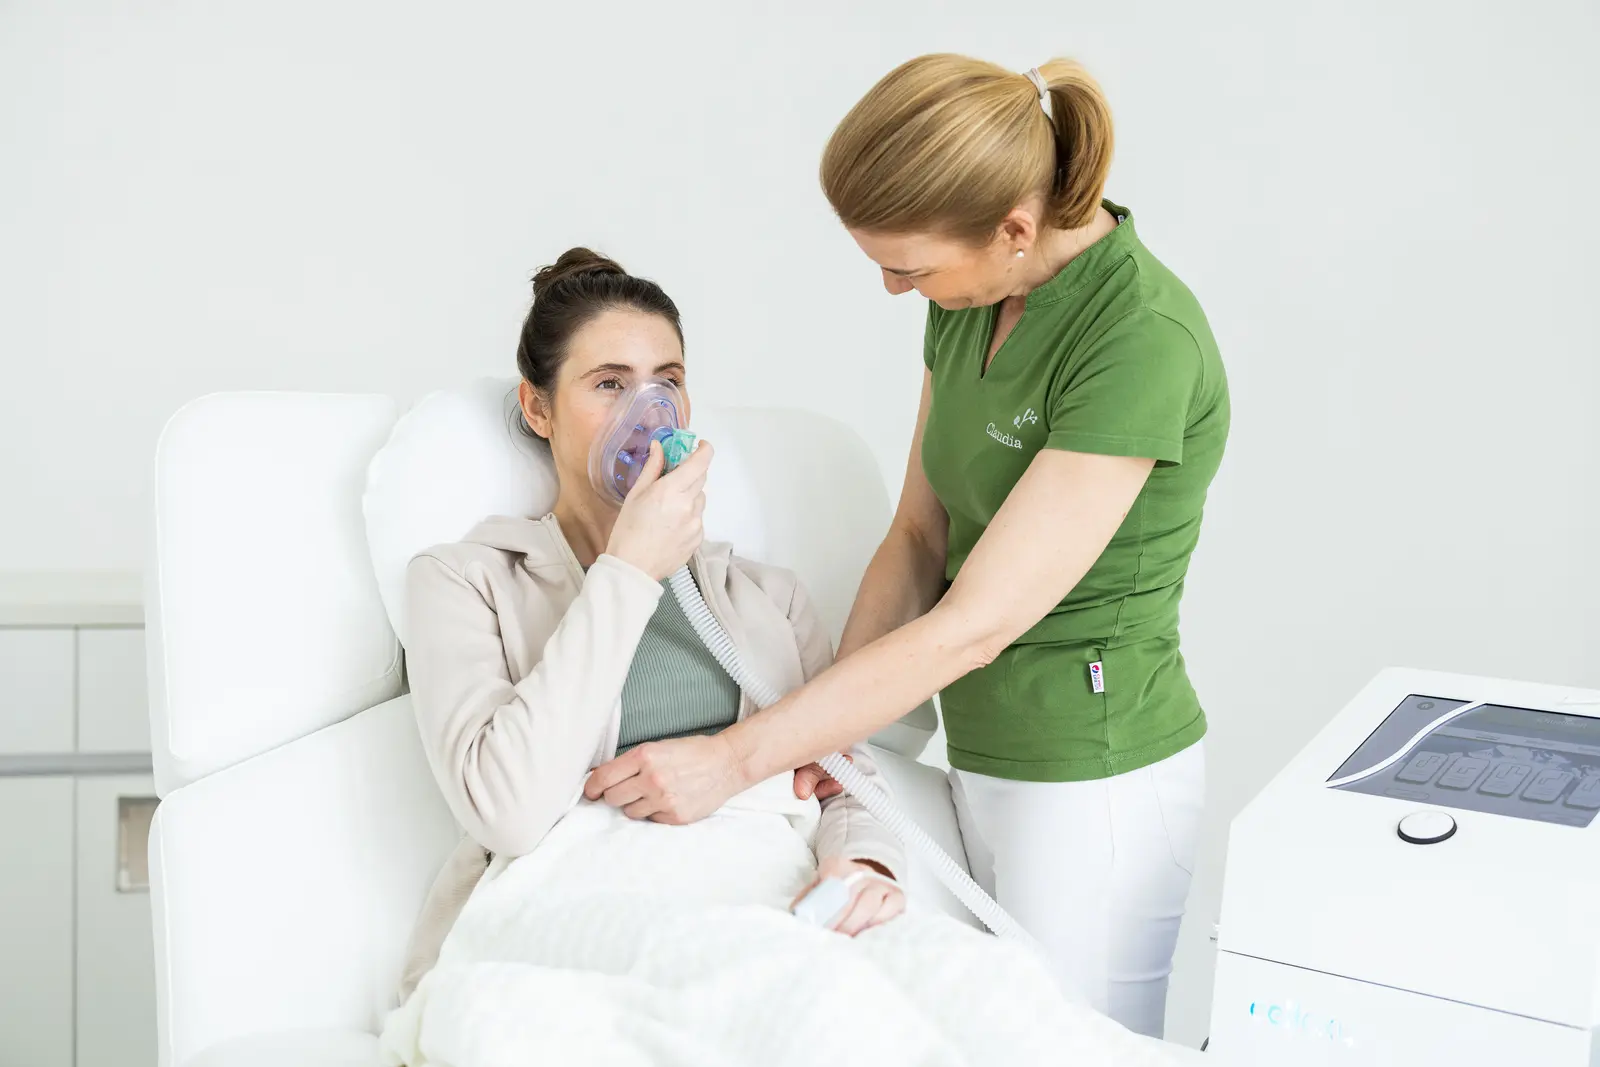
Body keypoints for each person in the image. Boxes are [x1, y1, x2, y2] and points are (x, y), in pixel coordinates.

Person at [582, 55, 1230, 1038]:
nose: (894, 288)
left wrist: (735, 757)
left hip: (1091, 778)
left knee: (1067, 1046)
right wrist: (832, 738)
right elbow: (920, 533)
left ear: (1015, 229)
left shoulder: (1140, 339)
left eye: (911, 267)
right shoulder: (968, 302)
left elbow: (975, 622)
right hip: (973, 746)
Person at [395, 248, 906, 999]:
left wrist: (860, 865)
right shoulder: (464, 582)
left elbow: (842, 775)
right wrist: (628, 569)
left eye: (668, 381)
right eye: (610, 384)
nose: (649, 410)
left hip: (759, 908)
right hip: (573, 922)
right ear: (538, 409)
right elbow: (508, 811)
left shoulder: (769, 599)